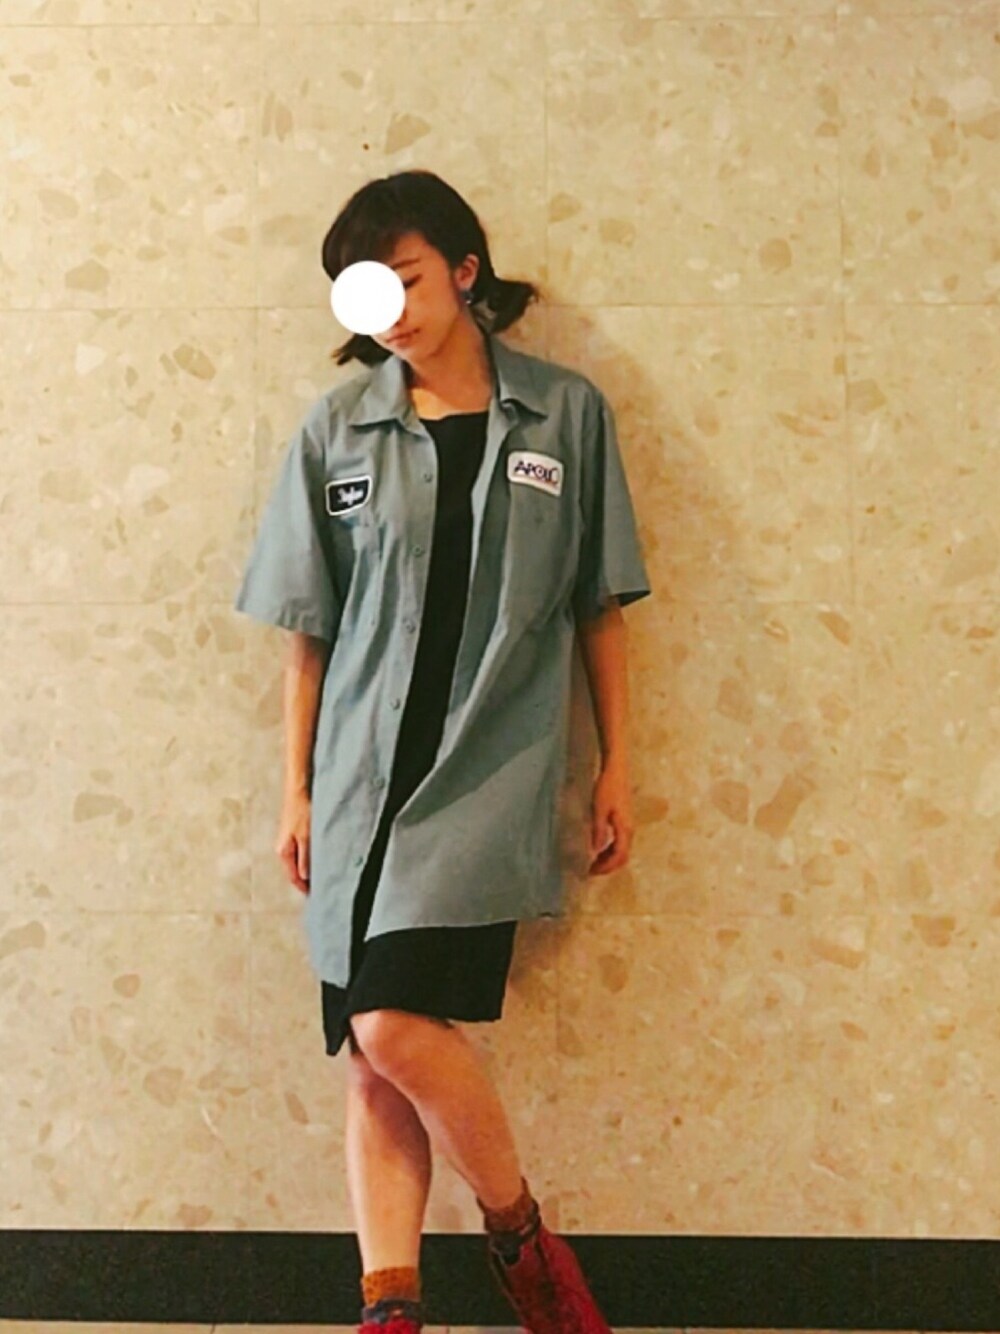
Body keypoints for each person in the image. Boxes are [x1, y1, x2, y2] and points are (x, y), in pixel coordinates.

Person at [233, 170, 652, 1334]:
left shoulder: (564, 416)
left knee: (391, 1022)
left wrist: (617, 764)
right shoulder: (338, 429)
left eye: (408, 280)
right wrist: (295, 790)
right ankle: (391, 1307)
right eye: (366, 294)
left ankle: (519, 1236)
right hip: (357, 783)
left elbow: (598, 605)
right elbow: (309, 632)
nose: (393, 313)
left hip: (483, 776)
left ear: (466, 270)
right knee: (370, 1055)